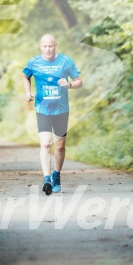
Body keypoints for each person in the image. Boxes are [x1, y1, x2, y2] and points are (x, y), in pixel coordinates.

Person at [22, 34, 82, 195]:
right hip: (43, 109)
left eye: (50, 46)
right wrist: (27, 92)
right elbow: (25, 76)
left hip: (61, 110)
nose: (48, 49)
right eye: (45, 46)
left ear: (55, 45)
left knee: (60, 145)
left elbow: (79, 81)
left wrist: (69, 84)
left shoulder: (65, 61)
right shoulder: (34, 62)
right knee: (46, 144)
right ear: (40, 47)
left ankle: (56, 175)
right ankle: (46, 178)